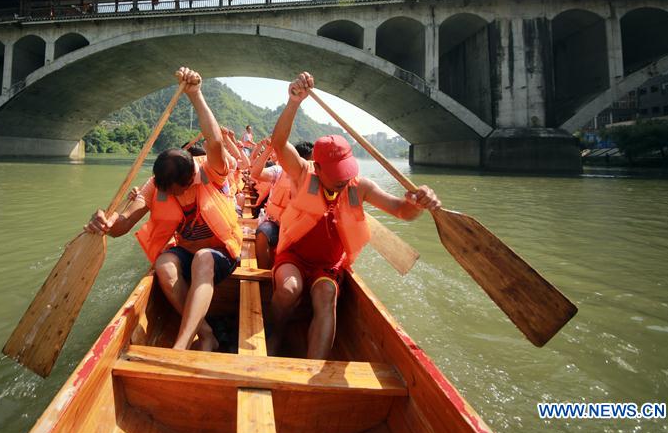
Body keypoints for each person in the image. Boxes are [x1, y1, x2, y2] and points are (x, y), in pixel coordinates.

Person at [267, 72, 441, 359]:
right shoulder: (301, 173)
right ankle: (274, 332)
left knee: (326, 296)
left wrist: (418, 202)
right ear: (317, 168)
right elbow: (279, 143)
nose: (342, 181)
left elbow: (401, 211)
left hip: (328, 266)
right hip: (295, 257)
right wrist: (293, 103)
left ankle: (314, 371)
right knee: (288, 289)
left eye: (345, 174)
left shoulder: (360, 187)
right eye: (334, 176)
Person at [86, 67, 243, 352]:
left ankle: (181, 344)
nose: (167, 194)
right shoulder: (155, 185)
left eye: (174, 190)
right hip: (186, 252)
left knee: (203, 260)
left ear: (188, 180)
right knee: (163, 265)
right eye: (164, 188)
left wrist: (195, 94)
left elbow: (215, 141)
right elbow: (124, 223)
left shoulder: (211, 172)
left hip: (220, 253)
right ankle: (206, 333)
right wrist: (105, 223)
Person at [252, 139, 313, 268]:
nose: (310, 165)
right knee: (262, 233)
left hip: (299, 227)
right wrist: (268, 150)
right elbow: (255, 174)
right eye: (309, 161)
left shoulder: (315, 179)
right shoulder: (279, 171)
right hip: (276, 223)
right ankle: (265, 276)